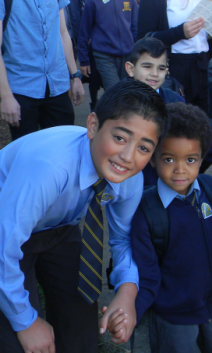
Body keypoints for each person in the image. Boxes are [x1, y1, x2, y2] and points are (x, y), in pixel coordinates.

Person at [0, 79, 166, 353]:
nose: (128, 156)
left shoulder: (129, 177)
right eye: (119, 137)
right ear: (92, 125)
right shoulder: (49, 169)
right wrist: (27, 323)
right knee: (19, 340)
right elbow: (3, 245)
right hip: (7, 226)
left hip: (59, 227)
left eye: (144, 148)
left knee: (81, 333)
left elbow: (123, 237)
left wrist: (127, 291)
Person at [131, 102, 212, 353]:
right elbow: (145, 271)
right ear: (152, 159)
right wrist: (133, 311)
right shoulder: (146, 210)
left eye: (190, 159)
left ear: (202, 159)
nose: (180, 169)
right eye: (168, 158)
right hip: (173, 315)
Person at [125, 37, 212, 185]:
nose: (154, 73)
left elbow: (196, 134)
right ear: (131, 69)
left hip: (164, 180)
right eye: (147, 66)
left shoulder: (174, 100)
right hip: (127, 179)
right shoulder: (118, 101)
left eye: (161, 68)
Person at [0, 0, 84, 141]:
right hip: (22, 87)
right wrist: (6, 96)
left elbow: (63, 32)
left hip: (58, 84)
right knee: (27, 151)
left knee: (63, 145)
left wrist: (75, 76)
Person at [137, 0, 212, 113]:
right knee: (175, 120)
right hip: (174, 68)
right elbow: (143, 40)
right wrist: (180, 32)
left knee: (204, 120)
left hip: (204, 66)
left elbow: (207, 40)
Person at [78, 0, 138, 90]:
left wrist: (137, 53)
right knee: (114, 92)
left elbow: (135, 27)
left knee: (127, 91)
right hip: (104, 55)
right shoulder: (92, 2)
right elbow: (84, 31)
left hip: (127, 55)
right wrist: (84, 60)